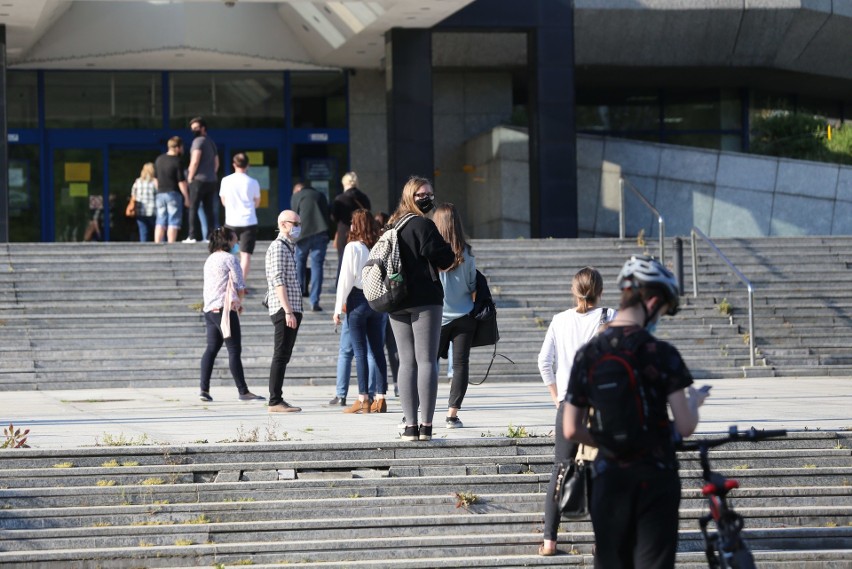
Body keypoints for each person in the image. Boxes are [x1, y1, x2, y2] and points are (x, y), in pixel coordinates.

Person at [562, 255, 709, 569]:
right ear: (653, 300)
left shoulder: (588, 354)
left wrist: (611, 440)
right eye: (664, 311)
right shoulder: (661, 353)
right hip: (656, 478)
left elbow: (571, 428)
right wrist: (694, 402)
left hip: (608, 477)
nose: (661, 317)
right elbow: (684, 426)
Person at [537, 266, 614, 556]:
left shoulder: (559, 320)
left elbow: (544, 361)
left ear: (574, 290)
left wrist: (557, 398)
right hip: (601, 406)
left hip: (569, 404)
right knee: (603, 471)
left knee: (560, 470)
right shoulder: (612, 317)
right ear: (600, 291)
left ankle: (549, 542)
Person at [387, 176, 454, 442]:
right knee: (426, 361)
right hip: (425, 299)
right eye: (422, 194)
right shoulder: (423, 226)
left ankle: (409, 427)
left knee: (406, 362)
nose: (427, 198)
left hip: (396, 300)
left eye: (429, 193)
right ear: (410, 196)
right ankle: (426, 426)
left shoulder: (392, 225)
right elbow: (447, 259)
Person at [199, 227, 265, 403]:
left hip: (210, 309)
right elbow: (239, 285)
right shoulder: (230, 259)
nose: (236, 243)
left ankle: (204, 389)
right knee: (234, 349)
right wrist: (239, 303)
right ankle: (243, 391)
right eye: (235, 240)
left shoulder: (210, 259)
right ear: (227, 241)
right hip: (225, 310)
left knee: (211, 349)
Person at [333, 209, 388, 414]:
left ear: (356, 225)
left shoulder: (353, 247)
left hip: (358, 299)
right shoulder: (379, 245)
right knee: (377, 351)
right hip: (379, 301)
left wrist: (338, 308)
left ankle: (363, 398)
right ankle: (381, 398)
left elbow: (345, 279)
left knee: (359, 352)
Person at [433, 203, 477, 429]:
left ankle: (423, 413)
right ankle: (452, 415)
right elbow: (472, 284)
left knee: (427, 363)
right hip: (464, 316)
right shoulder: (467, 252)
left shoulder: (430, 253)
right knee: (460, 365)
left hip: (436, 317)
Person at [264, 210, 304, 413]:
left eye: (298, 222)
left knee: (284, 354)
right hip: (284, 308)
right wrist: (288, 311)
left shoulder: (290, 248)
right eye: (293, 223)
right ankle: (275, 400)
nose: (297, 226)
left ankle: (276, 398)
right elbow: (278, 280)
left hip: (292, 307)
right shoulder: (279, 247)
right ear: (282, 224)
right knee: (280, 354)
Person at [219, 152, 261, 281]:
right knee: (246, 254)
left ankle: (226, 280)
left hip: (231, 220)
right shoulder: (253, 182)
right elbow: (257, 203)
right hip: (249, 221)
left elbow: (223, 201)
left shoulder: (226, 180)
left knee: (226, 252)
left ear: (234, 164)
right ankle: (240, 283)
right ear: (247, 165)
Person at [291, 182, 331, 312]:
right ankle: (314, 301)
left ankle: (298, 296)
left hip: (302, 235)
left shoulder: (297, 196)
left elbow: (293, 217)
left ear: (297, 189)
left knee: (299, 262)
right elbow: (327, 214)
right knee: (317, 266)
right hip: (320, 234)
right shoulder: (320, 195)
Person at [375, 211, 400, 397]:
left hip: (380, 301)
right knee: (393, 348)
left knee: (379, 349)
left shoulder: (378, 247)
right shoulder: (396, 246)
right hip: (393, 301)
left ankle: (379, 388)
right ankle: (398, 383)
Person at [185, 116, 219, 243]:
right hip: (211, 180)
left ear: (203, 128)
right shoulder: (211, 142)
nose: (193, 130)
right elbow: (216, 163)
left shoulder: (198, 141)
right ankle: (210, 237)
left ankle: (192, 236)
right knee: (209, 209)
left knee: (193, 207)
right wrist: (211, 174)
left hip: (198, 180)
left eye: (196, 128)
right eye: (192, 128)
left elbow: (195, 161)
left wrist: (190, 177)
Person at [330, 171, 371, 275]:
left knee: (343, 261)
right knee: (361, 260)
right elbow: (368, 214)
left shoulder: (340, 199)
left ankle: (342, 286)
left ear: (344, 183)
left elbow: (334, 217)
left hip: (344, 233)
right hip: (361, 233)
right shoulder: (364, 198)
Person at [153, 136, 189, 243]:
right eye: (182, 147)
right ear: (177, 147)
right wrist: (186, 197)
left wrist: (159, 189)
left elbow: (155, 179)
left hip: (160, 194)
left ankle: (157, 244)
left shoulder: (159, 159)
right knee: (173, 221)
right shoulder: (178, 161)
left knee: (160, 220)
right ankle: (171, 245)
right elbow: (181, 182)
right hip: (173, 193)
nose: (183, 149)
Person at [130, 162, 157, 242]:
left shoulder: (137, 182)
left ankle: (144, 250)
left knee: (143, 232)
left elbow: (133, 196)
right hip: (153, 210)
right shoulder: (154, 182)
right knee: (158, 231)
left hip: (140, 211)